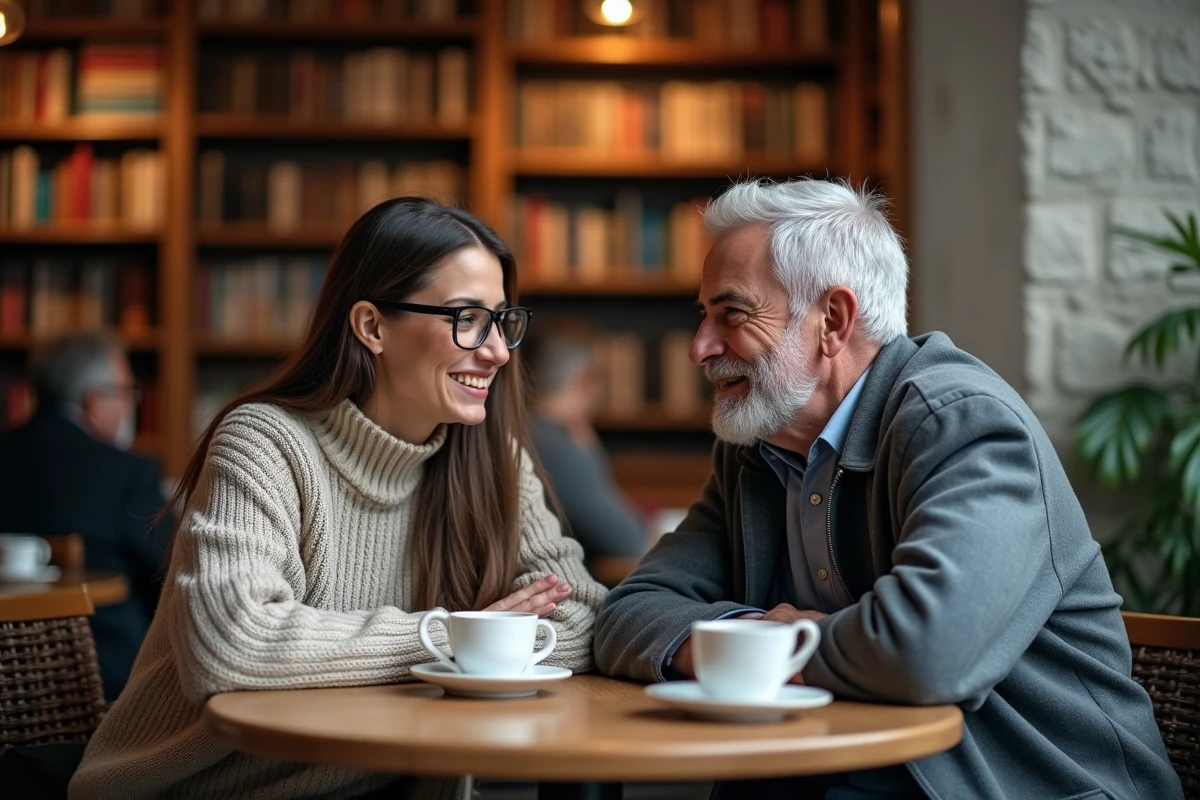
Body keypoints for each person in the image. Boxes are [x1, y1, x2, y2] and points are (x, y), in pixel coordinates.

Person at [593, 178, 1182, 800]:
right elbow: (629, 614)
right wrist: (755, 635)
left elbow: (927, 651)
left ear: (833, 321)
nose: (699, 348)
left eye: (732, 313)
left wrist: (767, 648)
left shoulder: (962, 422)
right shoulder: (755, 449)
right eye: (703, 315)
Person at [70, 198, 608, 800]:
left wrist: (471, 640)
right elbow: (231, 647)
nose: (498, 352)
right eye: (465, 319)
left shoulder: (493, 460)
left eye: (502, 321)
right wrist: (461, 636)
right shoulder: (265, 442)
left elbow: (588, 621)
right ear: (372, 327)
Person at [0, 330, 173, 701]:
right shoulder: (128, 472)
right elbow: (171, 575)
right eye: (126, 393)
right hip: (100, 679)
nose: (130, 406)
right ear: (96, 400)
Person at [523, 317, 647, 561]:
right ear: (586, 379)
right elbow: (629, 541)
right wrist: (589, 450)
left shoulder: (522, 430)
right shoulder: (559, 449)